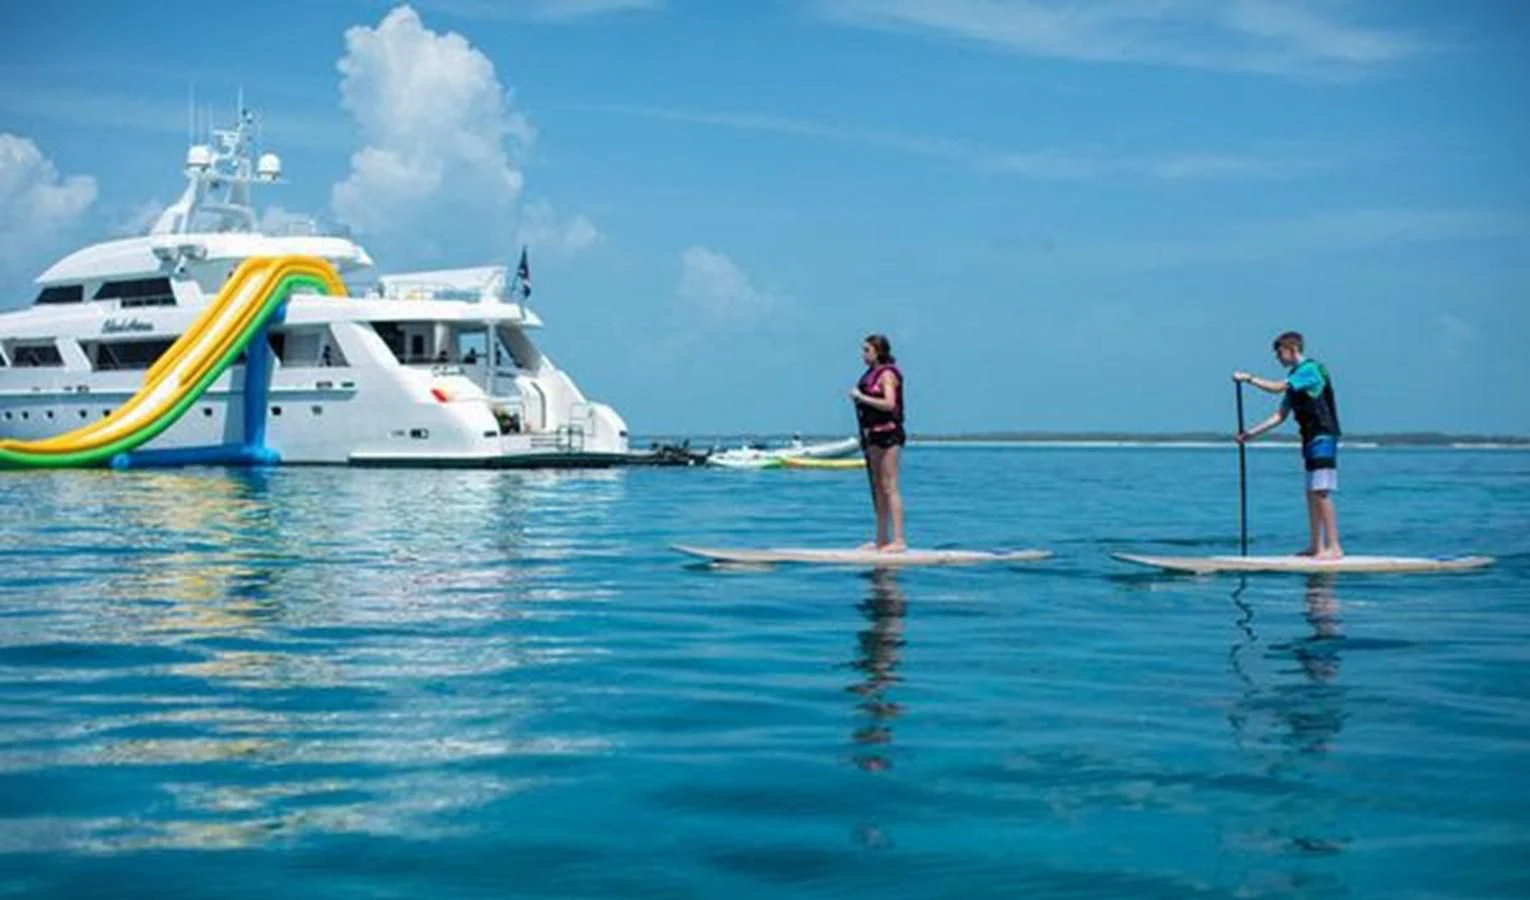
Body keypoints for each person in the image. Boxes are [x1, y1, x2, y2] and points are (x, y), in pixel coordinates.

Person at [1234, 331, 1343, 559]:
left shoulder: (1309, 370)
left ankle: (1334, 547)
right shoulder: (1295, 378)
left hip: (1323, 435)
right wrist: (1249, 434)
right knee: (1311, 492)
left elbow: (1275, 387)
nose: (1278, 359)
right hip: (1310, 438)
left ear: (1292, 349)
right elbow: (1280, 415)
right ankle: (1316, 546)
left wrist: (1249, 379)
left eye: (1280, 353)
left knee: (1321, 491)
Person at [851, 334, 906, 551]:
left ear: (878, 351)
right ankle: (882, 538)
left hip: (889, 434)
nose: (863, 354)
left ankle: (899, 539)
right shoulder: (868, 375)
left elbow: (889, 404)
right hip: (872, 433)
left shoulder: (887, 375)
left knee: (889, 485)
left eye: (867, 350)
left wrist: (861, 398)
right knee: (877, 486)